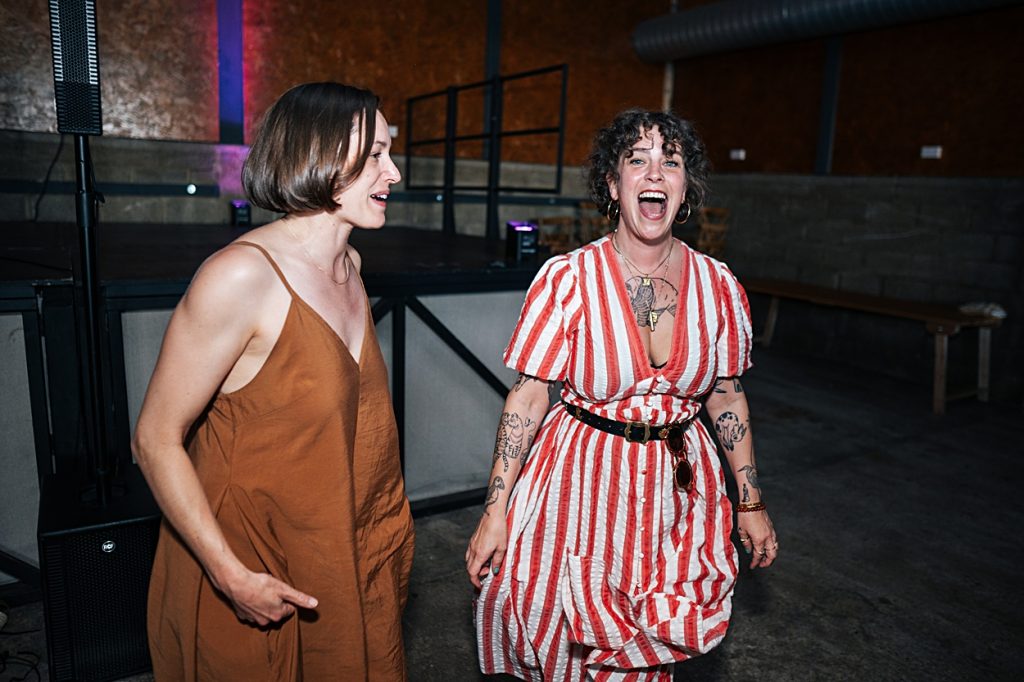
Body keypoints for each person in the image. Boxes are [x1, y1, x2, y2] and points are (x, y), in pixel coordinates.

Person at [466, 108, 778, 681]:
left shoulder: (721, 287)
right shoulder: (567, 279)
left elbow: (727, 398)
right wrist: (495, 511)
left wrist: (750, 501)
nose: (654, 173)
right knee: (560, 635)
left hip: (677, 491)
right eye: (637, 161)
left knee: (652, 637)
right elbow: (528, 399)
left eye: (671, 162)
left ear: (685, 190)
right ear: (614, 186)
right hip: (578, 488)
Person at [133, 82, 414, 681]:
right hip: (255, 562)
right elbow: (154, 439)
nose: (393, 172)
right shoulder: (239, 277)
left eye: (389, 154)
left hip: (337, 549)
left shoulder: (351, 266)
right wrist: (229, 575)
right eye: (374, 157)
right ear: (317, 155)